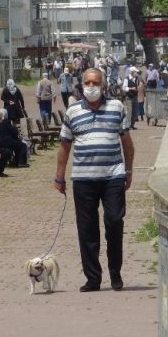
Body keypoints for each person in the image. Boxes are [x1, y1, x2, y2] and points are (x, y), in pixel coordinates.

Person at [53, 68, 134, 292]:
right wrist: (59, 177)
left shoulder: (117, 107)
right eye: (87, 83)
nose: (91, 87)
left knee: (115, 223)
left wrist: (128, 171)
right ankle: (93, 278)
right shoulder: (73, 111)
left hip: (113, 177)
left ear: (104, 85)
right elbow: (64, 147)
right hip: (83, 179)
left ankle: (115, 273)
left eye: (95, 82)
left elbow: (127, 143)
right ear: (82, 85)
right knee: (87, 230)